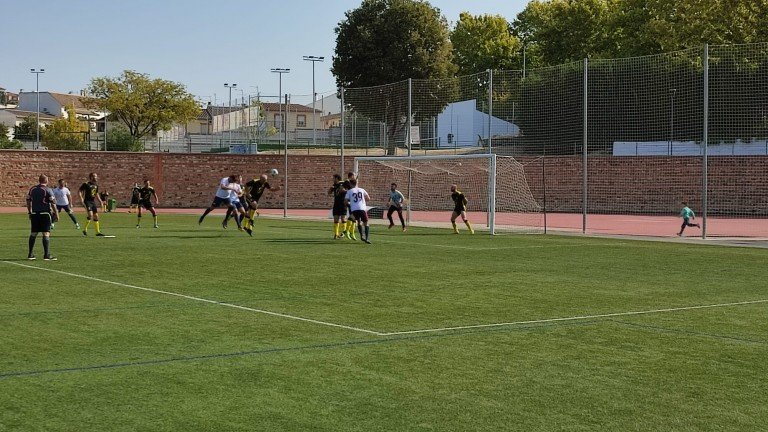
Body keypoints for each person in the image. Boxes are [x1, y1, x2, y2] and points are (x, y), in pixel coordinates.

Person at [26, 175, 58, 261]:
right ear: (46, 181)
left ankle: (30, 254)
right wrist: (56, 214)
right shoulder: (48, 190)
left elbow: (28, 201)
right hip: (45, 214)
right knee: (46, 233)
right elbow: (53, 203)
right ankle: (46, 255)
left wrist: (30, 212)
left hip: (35, 214)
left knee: (33, 233)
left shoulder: (32, 189)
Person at [345, 178, 372, 244]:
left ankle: (347, 231)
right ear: (356, 183)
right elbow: (368, 198)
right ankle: (366, 238)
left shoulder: (349, 191)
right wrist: (361, 201)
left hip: (354, 209)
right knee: (366, 223)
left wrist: (350, 203)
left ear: (350, 184)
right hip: (362, 208)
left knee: (354, 220)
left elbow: (345, 201)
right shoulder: (362, 189)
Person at [328, 174, 347, 239]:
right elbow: (329, 193)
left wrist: (343, 190)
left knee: (343, 218)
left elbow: (348, 191)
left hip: (343, 203)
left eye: (333, 178)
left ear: (337, 178)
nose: (332, 179)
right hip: (336, 204)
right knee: (336, 219)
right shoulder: (334, 185)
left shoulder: (343, 183)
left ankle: (343, 233)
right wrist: (330, 189)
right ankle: (336, 234)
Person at [342, 172, 358, 240]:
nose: (355, 176)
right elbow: (343, 189)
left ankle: (351, 232)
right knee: (353, 216)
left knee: (355, 217)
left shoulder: (354, 182)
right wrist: (348, 193)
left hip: (354, 201)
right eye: (354, 175)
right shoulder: (346, 182)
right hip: (349, 201)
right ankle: (348, 231)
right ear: (351, 176)